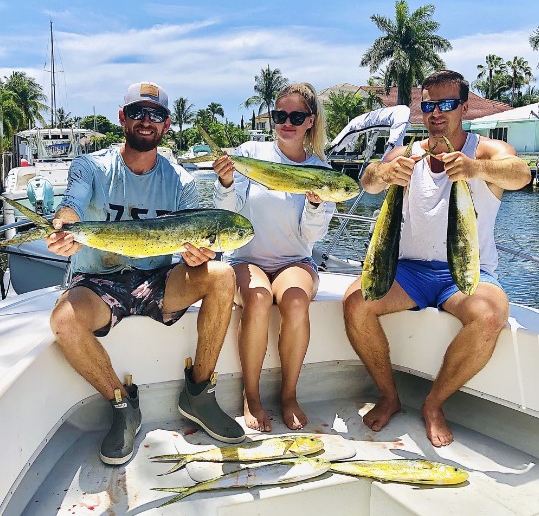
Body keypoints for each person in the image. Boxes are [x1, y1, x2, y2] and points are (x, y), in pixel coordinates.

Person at [46, 81, 245, 466]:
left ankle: (199, 393)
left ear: (167, 125)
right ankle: (122, 404)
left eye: (155, 115)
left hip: (156, 280)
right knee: (64, 320)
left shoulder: (182, 180)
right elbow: (71, 206)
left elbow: (197, 243)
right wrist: (64, 226)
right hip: (97, 281)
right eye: (137, 112)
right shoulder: (91, 165)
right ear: (122, 118)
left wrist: (198, 257)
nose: (145, 121)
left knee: (221, 274)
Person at [343, 70, 531, 447]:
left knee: (491, 314)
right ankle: (390, 395)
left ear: (464, 107)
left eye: (446, 104)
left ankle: (434, 404)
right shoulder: (408, 154)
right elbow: (368, 180)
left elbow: (521, 174)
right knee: (355, 303)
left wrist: (476, 168)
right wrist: (384, 172)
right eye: (428, 105)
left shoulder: (484, 150)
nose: (437, 113)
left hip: (464, 274)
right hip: (408, 272)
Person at [213, 83, 335, 432]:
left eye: (297, 116)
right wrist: (224, 184)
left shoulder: (321, 170)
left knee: (295, 302)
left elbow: (313, 237)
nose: (287, 123)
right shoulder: (250, 152)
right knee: (258, 298)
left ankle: (289, 394)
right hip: (245, 259)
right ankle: (251, 395)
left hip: (294, 261)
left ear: (310, 121)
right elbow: (229, 214)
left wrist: (315, 204)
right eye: (281, 115)